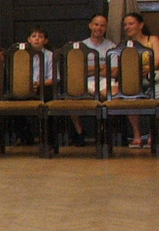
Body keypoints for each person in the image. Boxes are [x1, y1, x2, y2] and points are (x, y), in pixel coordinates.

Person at [68, 14, 115, 144]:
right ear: (90, 26)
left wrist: (89, 69)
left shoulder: (111, 46)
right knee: (70, 96)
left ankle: (104, 131)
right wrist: (100, 67)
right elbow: (77, 72)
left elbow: (114, 71)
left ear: (106, 28)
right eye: (96, 24)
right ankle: (79, 132)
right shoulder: (80, 46)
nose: (99, 28)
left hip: (105, 81)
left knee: (112, 94)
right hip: (85, 82)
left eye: (102, 25)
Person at [120, 12, 159, 147]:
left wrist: (148, 67)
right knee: (128, 96)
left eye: (131, 24)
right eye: (125, 25)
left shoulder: (152, 40)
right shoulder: (125, 45)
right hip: (134, 79)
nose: (127, 27)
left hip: (153, 77)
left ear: (141, 25)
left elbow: (157, 60)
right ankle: (137, 134)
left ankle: (153, 134)